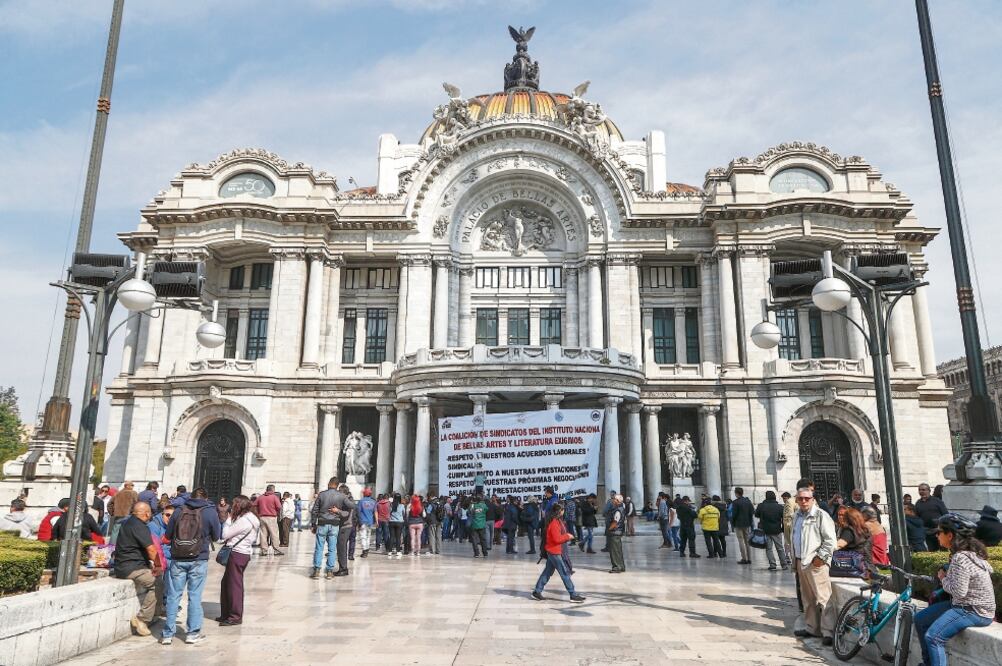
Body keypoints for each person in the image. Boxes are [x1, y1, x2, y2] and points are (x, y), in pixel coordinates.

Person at [914, 514, 995, 666]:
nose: (937, 535)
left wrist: (943, 578)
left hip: (973, 611)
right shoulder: (967, 554)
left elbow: (959, 592)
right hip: (963, 605)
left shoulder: (960, 557)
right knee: (920, 619)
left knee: (934, 638)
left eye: (939, 532)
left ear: (950, 535)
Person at [162, 487, 222, 645]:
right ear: (206, 498)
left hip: (178, 558)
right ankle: (192, 633)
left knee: (173, 596)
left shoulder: (179, 510)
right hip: (198, 558)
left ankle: (168, 634)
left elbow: (167, 535)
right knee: (195, 596)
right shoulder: (210, 512)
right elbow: (217, 536)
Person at [792, 486, 837, 646]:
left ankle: (828, 631)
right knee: (808, 598)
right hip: (800, 561)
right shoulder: (796, 516)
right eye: (800, 498)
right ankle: (812, 628)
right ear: (796, 499)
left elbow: (830, 540)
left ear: (813, 500)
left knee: (823, 598)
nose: (803, 501)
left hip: (816, 562)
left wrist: (821, 557)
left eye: (807, 498)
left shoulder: (820, 515)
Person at [113, 501, 161, 638]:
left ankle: (154, 614)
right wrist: (158, 566)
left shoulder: (128, 522)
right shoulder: (140, 526)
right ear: (147, 514)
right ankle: (142, 619)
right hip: (131, 567)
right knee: (157, 582)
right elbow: (151, 550)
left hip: (123, 565)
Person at [218, 495, 259, 626]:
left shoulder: (244, 520)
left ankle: (235, 616)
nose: (232, 506)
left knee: (234, 585)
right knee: (227, 583)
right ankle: (226, 613)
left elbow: (225, 535)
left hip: (236, 553)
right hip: (243, 553)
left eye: (234, 504)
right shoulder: (252, 518)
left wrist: (228, 521)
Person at [531, 504, 586, 603]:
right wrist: (567, 537)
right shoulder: (554, 523)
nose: (564, 511)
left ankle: (537, 591)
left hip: (554, 551)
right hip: (554, 552)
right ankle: (573, 594)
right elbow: (557, 539)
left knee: (547, 573)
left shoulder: (558, 521)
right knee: (564, 573)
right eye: (563, 510)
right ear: (559, 511)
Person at [310, 478, 355, 577]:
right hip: (335, 524)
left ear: (329, 483)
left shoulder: (322, 494)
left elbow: (314, 511)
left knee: (319, 547)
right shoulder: (341, 496)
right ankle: (329, 571)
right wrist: (338, 510)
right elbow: (352, 505)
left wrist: (313, 524)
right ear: (337, 485)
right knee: (332, 549)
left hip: (322, 523)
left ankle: (317, 570)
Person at [755, 490, 788, 570]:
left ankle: (772, 564)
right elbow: (783, 519)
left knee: (768, 548)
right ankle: (784, 564)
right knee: (780, 548)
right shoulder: (780, 507)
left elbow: (756, 514)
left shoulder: (761, 506)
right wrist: (783, 529)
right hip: (777, 530)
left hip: (765, 530)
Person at [834, 506, 871, 575]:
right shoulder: (863, 530)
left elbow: (838, 545)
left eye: (844, 516)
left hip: (855, 568)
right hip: (867, 565)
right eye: (839, 515)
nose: (841, 517)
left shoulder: (849, 530)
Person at [915, 482, 948, 552]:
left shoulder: (937, 501)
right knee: (932, 551)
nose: (921, 491)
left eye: (923, 490)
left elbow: (945, 514)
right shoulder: (918, 503)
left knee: (944, 550)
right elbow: (917, 518)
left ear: (928, 490)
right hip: (928, 532)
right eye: (920, 490)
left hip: (939, 530)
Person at [253, 485, 284, 556]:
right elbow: (279, 507)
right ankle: (276, 550)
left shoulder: (260, 497)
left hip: (262, 517)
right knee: (274, 534)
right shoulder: (274, 497)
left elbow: (254, 505)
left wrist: (258, 513)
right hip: (271, 517)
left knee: (263, 534)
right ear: (272, 490)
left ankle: (264, 550)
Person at [731, 487, 755, 565]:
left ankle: (744, 558)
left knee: (741, 541)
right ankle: (750, 558)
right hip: (747, 523)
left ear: (736, 493)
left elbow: (734, 514)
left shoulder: (735, 502)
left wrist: (732, 523)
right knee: (747, 541)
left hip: (738, 524)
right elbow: (752, 512)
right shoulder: (748, 501)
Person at [606, 494, 626, 573]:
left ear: (617, 501)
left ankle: (616, 567)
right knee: (618, 551)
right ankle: (621, 566)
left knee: (614, 551)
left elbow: (615, 522)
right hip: (618, 532)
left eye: (614, 499)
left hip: (615, 532)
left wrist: (609, 529)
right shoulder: (621, 509)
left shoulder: (618, 510)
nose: (613, 500)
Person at [356, 488, 377, 557]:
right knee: (368, 536)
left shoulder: (361, 501)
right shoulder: (373, 502)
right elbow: (375, 512)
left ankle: (365, 550)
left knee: (363, 536)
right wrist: (376, 521)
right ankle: (367, 549)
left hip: (363, 521)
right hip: (370, 522)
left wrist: (358, 522)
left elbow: (358, 512)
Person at [469, 494, 489, 558]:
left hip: (474, 525)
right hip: (482, 525)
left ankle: (476, 553)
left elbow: (470, 512)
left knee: (474, 540)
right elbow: (487, 510)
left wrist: (472, 503)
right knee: (483, 539)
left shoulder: (472, 505)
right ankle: (485, 553)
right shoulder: (484, 505)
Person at [387, 492, 406, 558]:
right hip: (399, 522)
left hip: (391, 522)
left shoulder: (391, 505)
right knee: (398, 537)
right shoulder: (402, 506)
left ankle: (389, 551)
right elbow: (404, 514)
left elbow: (388, 513)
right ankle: (398, 551)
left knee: (392, 537)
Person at [782, 491, 796, 565]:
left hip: (790, 527)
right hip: (787, 527)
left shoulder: (790, 503)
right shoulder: (786, 505)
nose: (784, 500)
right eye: (783, 499)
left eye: (785, 498)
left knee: (789, 543)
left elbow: (790, 516)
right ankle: (787, 556)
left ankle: (790, 557)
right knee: (787, 543)